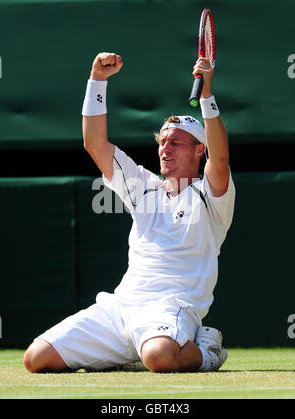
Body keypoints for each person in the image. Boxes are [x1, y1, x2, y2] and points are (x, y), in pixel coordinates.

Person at [23, 52, 235, 373]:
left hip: (171, 308)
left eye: (176, 142)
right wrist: (98, 80)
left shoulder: (210, 195)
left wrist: (206, 95)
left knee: (161, 358)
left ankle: (206, 350)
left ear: (199, 149)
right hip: (120, 308)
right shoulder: (142, 185)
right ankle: (132, 352)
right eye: (162, 142)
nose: (165, 148)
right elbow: (95, 143)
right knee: (36, 359)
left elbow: (220, 160)